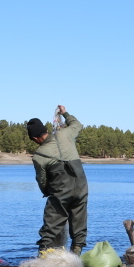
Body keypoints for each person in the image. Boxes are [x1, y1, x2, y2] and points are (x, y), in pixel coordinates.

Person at [26, 105, 87, 255]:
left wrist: (47, 192)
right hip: (81, 186)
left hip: (61, 191)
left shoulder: (39, 156)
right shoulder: (65, 134)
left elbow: (42, 180)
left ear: (35, 138)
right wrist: (65, 113)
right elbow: (77, 125)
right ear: (46, 130)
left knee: (51, 223)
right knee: (79, 221)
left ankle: (43, 255)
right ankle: (76, 254)